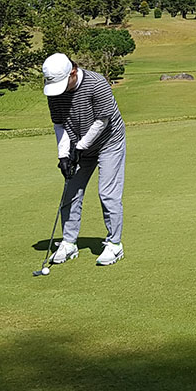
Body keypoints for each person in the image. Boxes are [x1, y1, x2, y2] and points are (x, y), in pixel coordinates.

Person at [42, 52, 126, 266]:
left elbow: (101, 122)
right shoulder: (55, 90)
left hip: (109, 142)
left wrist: (80, 147)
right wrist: (63, 155)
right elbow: (59, 125)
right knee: (71, 193)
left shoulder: (97, 84)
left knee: (107, 193)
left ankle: (114, 244)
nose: (61, 89)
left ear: (73, 71)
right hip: (78, 143)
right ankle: (69, 243)